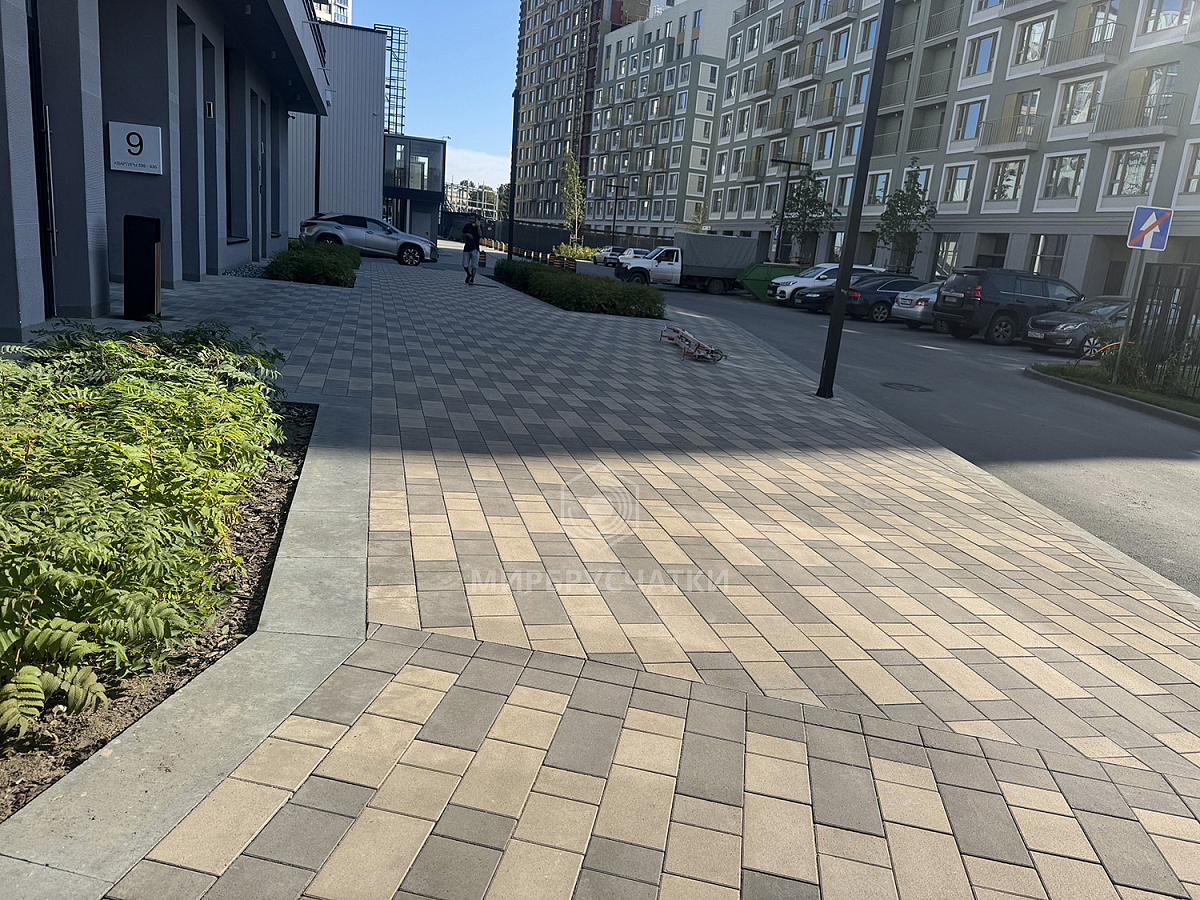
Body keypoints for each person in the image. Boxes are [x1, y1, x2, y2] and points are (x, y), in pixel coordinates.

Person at [461, 213, 482, 284]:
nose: (471, 220)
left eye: (472, 219)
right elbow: (462, 235)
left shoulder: (478, 227)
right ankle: (468, 274)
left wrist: (478, 225)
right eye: (470, 218)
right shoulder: (467, 226)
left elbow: (480, 234)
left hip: (475, 248)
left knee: (474, 265)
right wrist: (467, 234)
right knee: (465, 264)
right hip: (467, 247)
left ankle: (472, 279)